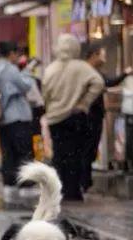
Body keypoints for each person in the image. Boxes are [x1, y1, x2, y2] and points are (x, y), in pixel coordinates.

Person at [43, 33, 104, 201]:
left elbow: (45, 94)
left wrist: (51, 108)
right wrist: (84, 103)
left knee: (59, 155)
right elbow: (98, 82)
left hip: (55, 118)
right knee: (75, 155)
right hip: (75, 117)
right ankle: (73, 190)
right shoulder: (81, 67)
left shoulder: (51, 69)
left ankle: (59, 190)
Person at [82, 43, 132, 191]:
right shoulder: (89, 72)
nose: (104, 58)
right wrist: (125, 73)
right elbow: (108, 82)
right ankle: (83, 181)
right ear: (94, 55)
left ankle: (84, 180)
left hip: (92, 115)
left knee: (89, 149)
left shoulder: (93, 71)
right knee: (88, 148)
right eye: (102, 54)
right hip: (89, 115)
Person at [0, 41, 34, 202]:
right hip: (17, 116)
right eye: (16, 54)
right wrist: (28, 71)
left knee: (8, 152)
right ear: (10, 54)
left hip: (2, 117)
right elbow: (25, 86)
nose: (17, 57)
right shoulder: (10, 69)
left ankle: (9, 183)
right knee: (23, 151)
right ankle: (25, 184)